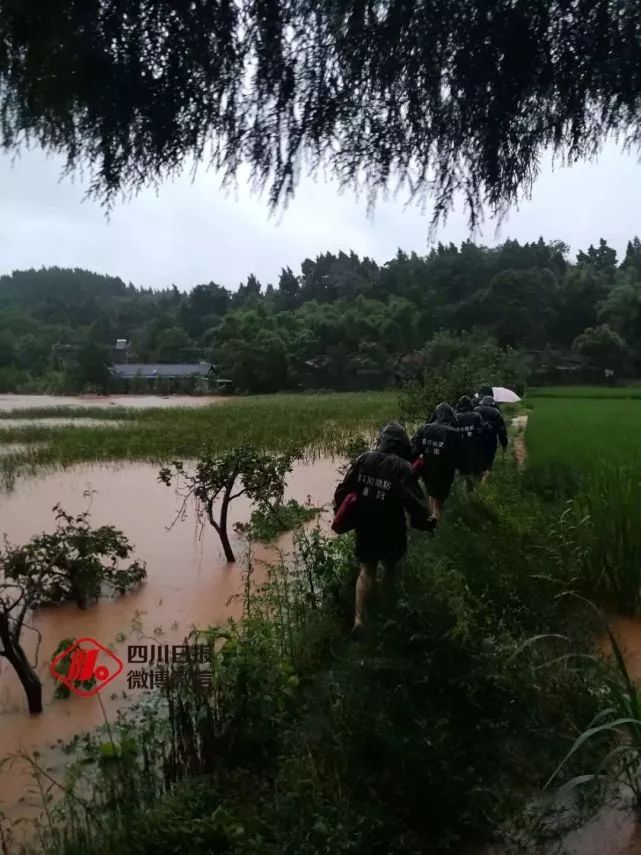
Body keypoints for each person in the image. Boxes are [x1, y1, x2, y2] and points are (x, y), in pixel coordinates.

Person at [333, 422, 435, 639]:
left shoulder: (364, 459)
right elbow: (415, 503)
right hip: (392, 526)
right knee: (390, 568)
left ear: (382, 441)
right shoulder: (403, 467)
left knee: (366, 569)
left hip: (365, 524)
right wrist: (426, 523)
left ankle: (359, 618)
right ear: (402, 444)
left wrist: (342, 513)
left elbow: (343, 489)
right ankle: (384, 610)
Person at [411, 402, 463, 521]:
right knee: (438, 502)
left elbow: (413, 450)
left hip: (427, 469)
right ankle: (434, 525)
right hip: (445, 471)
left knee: (432, 495)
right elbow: (460, 454)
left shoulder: (424, 428)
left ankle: (431, 522)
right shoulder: (453, 433)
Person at [455, 395, 485, 491]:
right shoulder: (476, 416)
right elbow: (482, 431)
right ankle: (478, 493)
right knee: (477, 473)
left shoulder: (455, 417)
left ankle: (468, 493)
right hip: (475, 448)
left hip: (460, 450)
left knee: (464, 472)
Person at [474, 395, 508, 480]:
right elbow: (502, 430)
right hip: (491, 440)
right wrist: (504, 444)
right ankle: (486, 477)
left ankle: (478, 477)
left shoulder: (475, 410)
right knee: (489, 459)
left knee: (478, 458)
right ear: (492, 404)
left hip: (477, 440)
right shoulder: (496, 412)